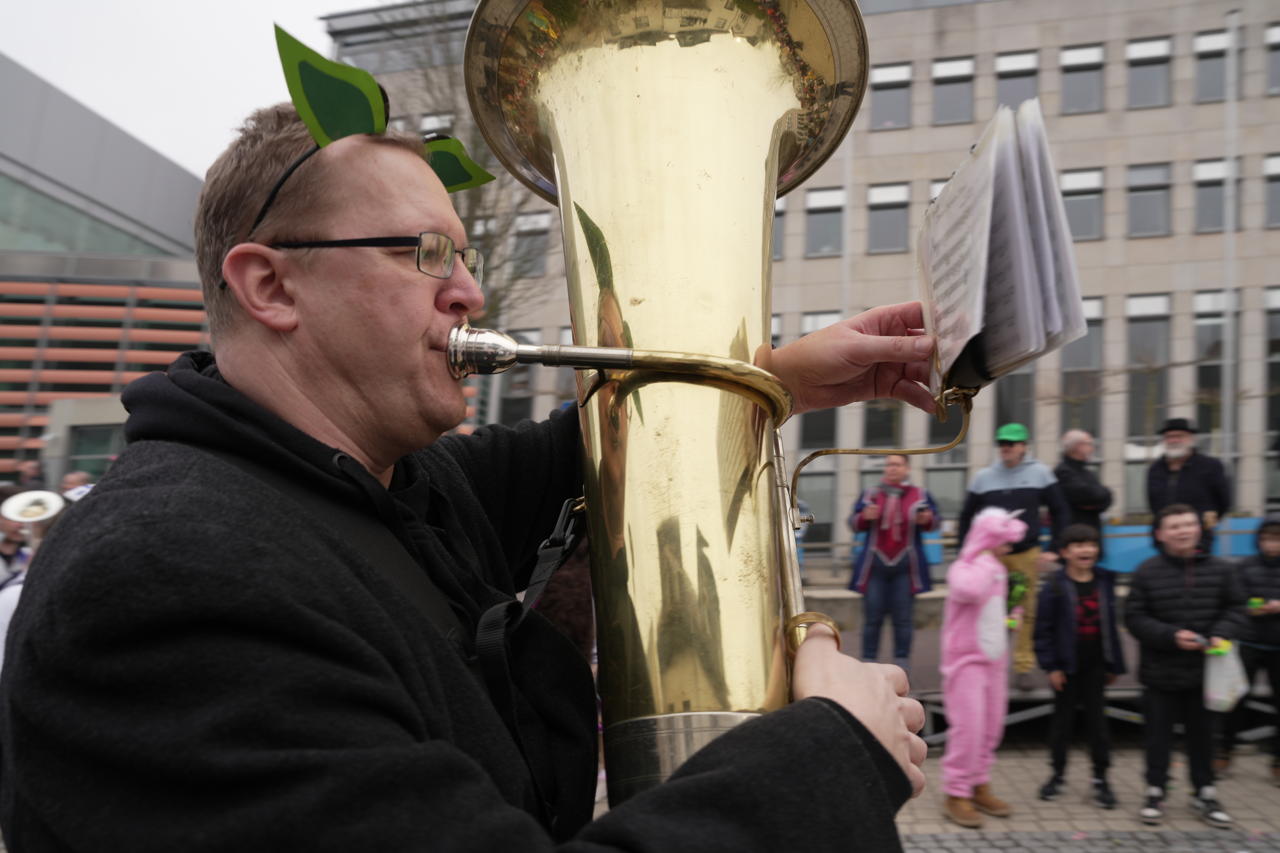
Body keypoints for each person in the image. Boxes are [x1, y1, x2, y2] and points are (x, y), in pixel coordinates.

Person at [0, 103, 935, 851]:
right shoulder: (169, 575)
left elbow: (565, 452)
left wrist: (775, 376)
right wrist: (835, 750)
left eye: (464, 253)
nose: (470, 293)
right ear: (271, 286)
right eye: (424, 253)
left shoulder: (381, 478)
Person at [1124, 504, 1247, 830]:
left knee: (1204, 737)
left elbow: (1238, 609)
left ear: (1199, 529)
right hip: (1160, 671)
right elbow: (1134, 618)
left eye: (1189, 524)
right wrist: (1170, 636)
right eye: (1175, 526)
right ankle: (1155, 791)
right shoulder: (1146, 571)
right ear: (1160, 534)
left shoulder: (1222, 570)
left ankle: (1205, 792)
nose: (1183, 530)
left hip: (1206, 673)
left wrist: (1222, 633)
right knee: (1157, 738)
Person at [958, 422, 1069, 689]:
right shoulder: (983, 478)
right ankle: (985, 664)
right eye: (1001, 443)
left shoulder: (1041, 473)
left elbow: (1061, 510)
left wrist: (1055, 548)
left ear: (1024, 446)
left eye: (1011, 443)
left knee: (1024, 611)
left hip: (1025, 555)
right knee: (988, 612)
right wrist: (967, 555)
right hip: (990, 559)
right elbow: (965, 518)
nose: (1005, 448)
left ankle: (1023, 667)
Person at [939, 507, 1026, 829]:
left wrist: (1010, 617)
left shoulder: (996, 568)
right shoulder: (968, 566)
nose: (1010, 547)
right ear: (989, 538)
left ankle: (978, 783)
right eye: (1003, 540)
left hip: (994, 660)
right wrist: (989, 563)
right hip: (965, 662)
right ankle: (955, 791)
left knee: (991, 727)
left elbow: (990, 615)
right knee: (969, 727)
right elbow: (969, 591)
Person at [1033, 523, 1125, 809]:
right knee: (1063, 724)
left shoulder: (1105, 581)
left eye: (1091, 544)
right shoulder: (1055, 586)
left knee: (1098, 725)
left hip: (1097, 665)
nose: (1086, 549)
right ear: (1064, 552)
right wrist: (1051, 667)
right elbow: (1043, 630)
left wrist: (1114, 664)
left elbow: (1112, 627)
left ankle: (1101, 778)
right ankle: (1057, 774)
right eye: (1078, 545)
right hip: (1066, 667)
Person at [847, 454, 939, 672]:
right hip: (875, 567)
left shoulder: (920, 495)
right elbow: (853, 522)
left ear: (907, 469)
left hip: (905, 568)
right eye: (889, 465)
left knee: (903, 619)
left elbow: (934, 521)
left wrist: (927, 519)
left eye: (897, 465)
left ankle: (902, 664)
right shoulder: (871, 494)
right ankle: (868, 664)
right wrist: (863, 517)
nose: (892, 468)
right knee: (872, 618)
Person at [1217, 513, 1280, 786]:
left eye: (1277, 539)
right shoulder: (1244, 566)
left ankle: (1277, 761)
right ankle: (1224, 752)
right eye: (1267, 538)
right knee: (1235, 700)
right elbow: (1236, 601)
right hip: (1250, 641)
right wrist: (1257, 607)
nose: (1272, 544)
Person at [1146, 418, 1230, 554]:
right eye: (1169, 437)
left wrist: (1206, 529)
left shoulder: (1210, 466)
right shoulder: (1155, 469)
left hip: (1199, 541)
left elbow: (1222, 503)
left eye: (1179, 436)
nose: (1173, 440)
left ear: (1191, 439)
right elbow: (1153, 506)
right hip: (1165, 542)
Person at [1053, 430, 1112, 556]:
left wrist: (1100, 499)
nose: (1092, 447)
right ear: (1077, 446)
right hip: (1074, 540)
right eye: (1089, 443)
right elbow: (1090, 495)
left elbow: (1106, 498)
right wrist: (1100, 497)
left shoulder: (1087, 472)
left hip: (1090, 536)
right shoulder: (1064, 472)